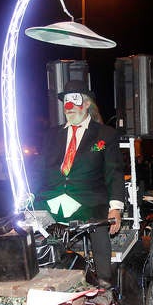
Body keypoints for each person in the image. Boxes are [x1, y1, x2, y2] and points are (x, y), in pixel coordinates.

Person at [32, 79, 124, 289]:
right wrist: (29, 198)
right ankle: (38, 279)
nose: (69, 108)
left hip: (89, 200)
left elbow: (114, 172)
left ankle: (104, 281)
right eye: (65, 103)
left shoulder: (105, 134)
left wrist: (116, 208)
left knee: (99, 227)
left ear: (87, 103)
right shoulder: (51, 135)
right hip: (52, 200)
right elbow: (39, 169)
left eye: (74, 102)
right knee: (28, 229)